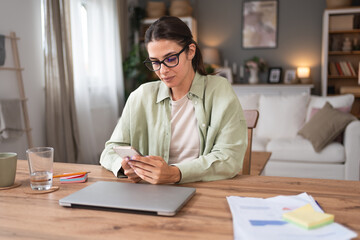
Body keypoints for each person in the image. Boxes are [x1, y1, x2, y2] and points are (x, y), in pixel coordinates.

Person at [100, 16, 247, 184]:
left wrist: (175, 173)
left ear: (190, 51)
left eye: (170, 59)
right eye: (155, 62)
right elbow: (110, 150)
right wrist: (123, 167)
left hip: (203, 188)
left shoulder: (219, 90)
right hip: (150, 192)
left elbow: (230, 158)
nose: (163, 71)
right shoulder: (141, 96)